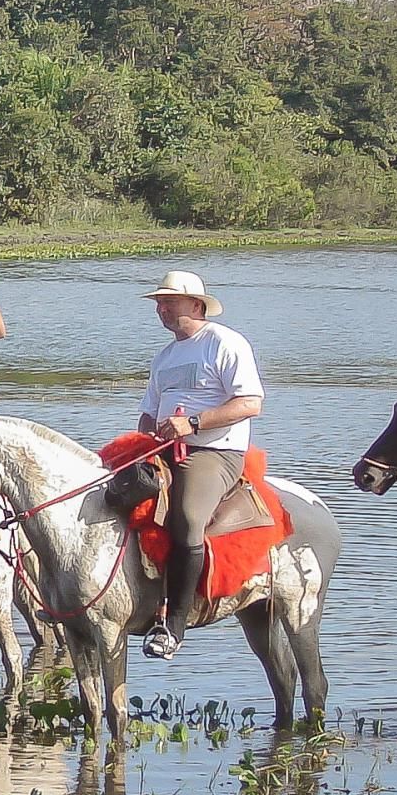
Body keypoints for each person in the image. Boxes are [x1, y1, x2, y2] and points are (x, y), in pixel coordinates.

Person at [134, 270, 264, 660]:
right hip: (163, 450)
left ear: (196, 304)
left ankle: (174, 625)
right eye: (159, 303)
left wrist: (193, 423)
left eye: (168, 302)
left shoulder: (225, 342)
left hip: (213, 452)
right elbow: (148, 412)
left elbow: (250, 403)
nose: (161, 309)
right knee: (109, 495)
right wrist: (146, 436)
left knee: (188, 517)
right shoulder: (164, 356)